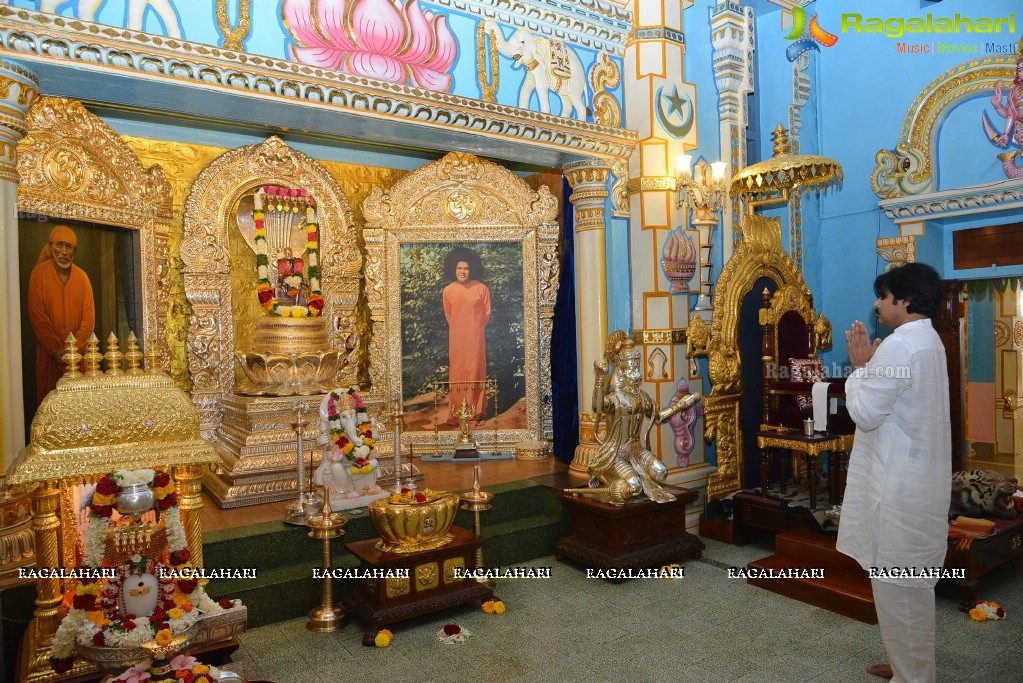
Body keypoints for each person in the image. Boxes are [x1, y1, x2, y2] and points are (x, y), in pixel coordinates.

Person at [837, 262, 950, 683]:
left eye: (883, 296)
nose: (877, 304)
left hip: (898, 491)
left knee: (900, 593)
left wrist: (860, 368)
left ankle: (913, 677)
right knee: (908, 593)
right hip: (916, 482)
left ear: (904, 300)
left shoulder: (900, 346)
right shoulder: (928, 340)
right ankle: (907, 665)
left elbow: (864, 414)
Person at [27, 225, 96, 407]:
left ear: (75, 251)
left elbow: (88, 319)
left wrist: (73, 351)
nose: (64, 252)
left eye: (69, 247)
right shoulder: (38, 274)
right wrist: (56, 350)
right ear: (51, 247)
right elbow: (38, 317)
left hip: (79, 357)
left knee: (79, 407)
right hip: (50, 356)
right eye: (60, 245)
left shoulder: (82, 277)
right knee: (50, 406)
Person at [442, 247, 491, 424]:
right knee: (457, 374)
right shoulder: (448, 290)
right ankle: (456, 414)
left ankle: (474, 413)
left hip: (476, 340)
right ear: (453, 270)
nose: (462, 272)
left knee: (475, 373)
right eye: (459, 269)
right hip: (456, 341)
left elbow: (487, 313)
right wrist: (459, 330)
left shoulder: (481, 289)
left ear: (472, 269)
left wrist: (475, 330)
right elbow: (448, 315)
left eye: (466, 268)